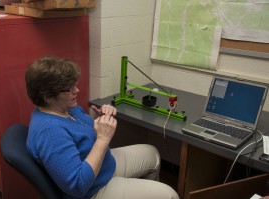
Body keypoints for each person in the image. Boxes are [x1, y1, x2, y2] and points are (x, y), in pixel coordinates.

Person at [25, 56, 179, 199]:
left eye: (75, 85)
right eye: (69, 89)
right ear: (48, 97)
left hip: (104, 166)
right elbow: (77, 186)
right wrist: (103, 139)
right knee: (170, 195)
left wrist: (102, 117)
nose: (76, 90)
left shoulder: (66, 108)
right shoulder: (50, 132)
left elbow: (79, 134)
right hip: (92, 189)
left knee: (152, 154)